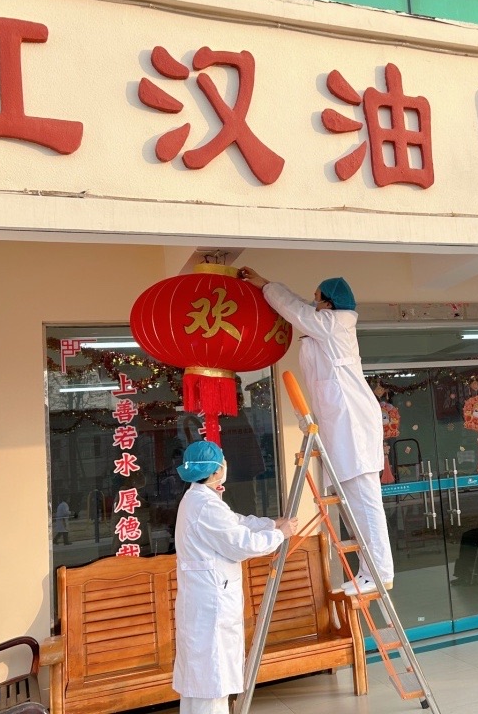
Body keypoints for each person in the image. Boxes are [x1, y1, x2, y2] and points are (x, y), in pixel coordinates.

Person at [238, 266, 393, 596]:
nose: (313, 303)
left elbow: (296, 310)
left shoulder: (335, 323)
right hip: (341, 426)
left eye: (318, 298)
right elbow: (300, 306)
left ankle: (379, 572)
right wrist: (266, 283)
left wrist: (266, 287)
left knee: (366, 505)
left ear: (329, 303)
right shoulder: (327, 322)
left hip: (353, 425)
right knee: (354, 505)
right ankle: (370, 571)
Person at [172, 440, 297, 714]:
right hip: (211, 606)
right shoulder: (205, 506)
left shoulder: (198, 500)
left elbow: (236, 522)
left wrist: (270, 523)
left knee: (200, 684)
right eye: (222, 462)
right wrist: (280, 534)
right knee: (212, 683)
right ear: (216, 470)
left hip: (203, 603)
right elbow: (242, 544)